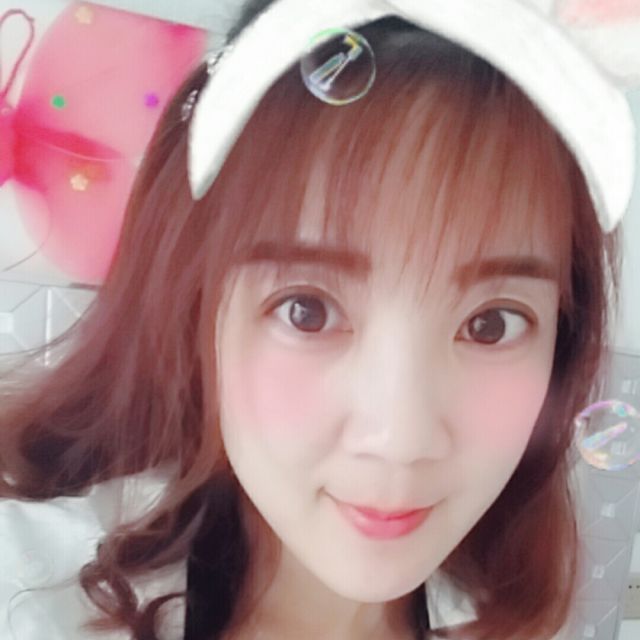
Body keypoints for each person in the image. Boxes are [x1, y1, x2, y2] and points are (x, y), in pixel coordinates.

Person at [0, 3, 634, 640]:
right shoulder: (32, 592)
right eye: (308, 311)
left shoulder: (498, 616)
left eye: (491, 324)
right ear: (196, 316)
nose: (401, 439)